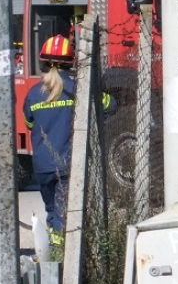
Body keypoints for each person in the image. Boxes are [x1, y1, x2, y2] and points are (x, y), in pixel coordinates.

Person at [24, 34, 116, 246]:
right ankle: (63, 252)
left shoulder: (33, 94)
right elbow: (109, 105)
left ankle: (56, 249)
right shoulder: (77, 89)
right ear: (70, 62)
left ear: (42, 62)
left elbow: (29, 123)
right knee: (64, 212)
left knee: (52, 210)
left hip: (42, 165)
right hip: (68, 163)